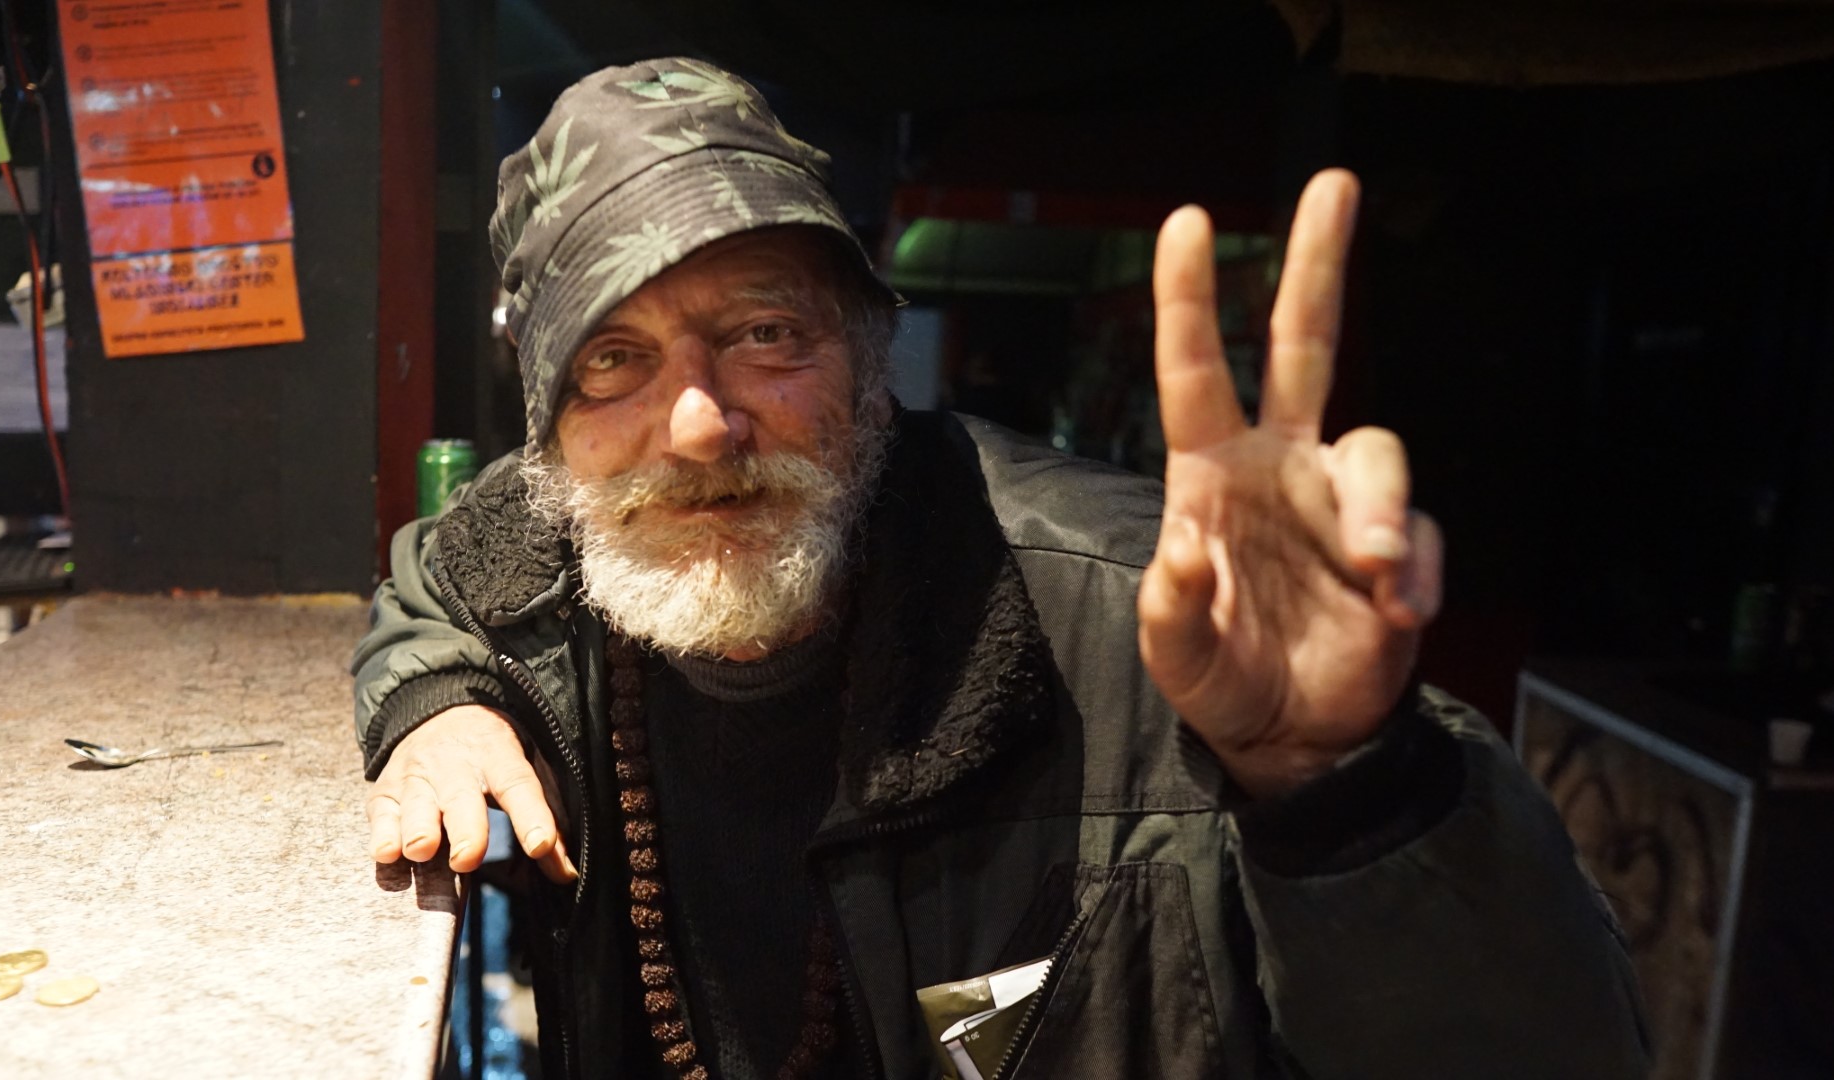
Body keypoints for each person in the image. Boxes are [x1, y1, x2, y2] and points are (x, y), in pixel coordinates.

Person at [352, 57, 1649, 1080]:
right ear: (551, 433)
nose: (697, 425)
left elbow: (1547, 1052)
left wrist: (1349, 789)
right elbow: (432, 577)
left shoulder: (1167, 626)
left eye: (764, 333)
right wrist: (433, 697)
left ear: (872, 365)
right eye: (613, 359)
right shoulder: (542, 558)